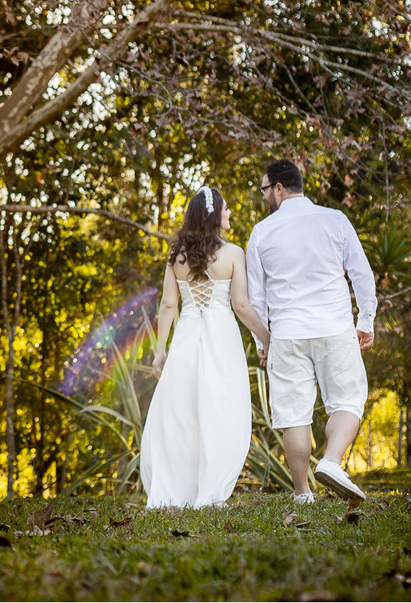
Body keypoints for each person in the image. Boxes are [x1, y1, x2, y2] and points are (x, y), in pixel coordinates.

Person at [246, 159, 376, 504]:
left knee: (293, 415)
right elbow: (361, 274)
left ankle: (302, 494)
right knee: (348, 401)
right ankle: (332, 462)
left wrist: (263, 342)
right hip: (334, 327)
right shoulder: (335, 220)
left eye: (263, 190)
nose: (263, 199)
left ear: (278, 188)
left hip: (287, 334)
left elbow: (256, 298)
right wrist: (366, 321)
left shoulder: (261, 232)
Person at [141, 185, 271, 509]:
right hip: (221, 338)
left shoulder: (177, 256)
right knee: (222, 408)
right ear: (215, 215)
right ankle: (210, 490)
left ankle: (181, 489)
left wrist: (161, 350)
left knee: (183, 412)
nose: (230, 214)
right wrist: (267, 338)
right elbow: (240, 305)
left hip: (186, 336)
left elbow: (169, 305)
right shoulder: (233, 254)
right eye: (226, 209)